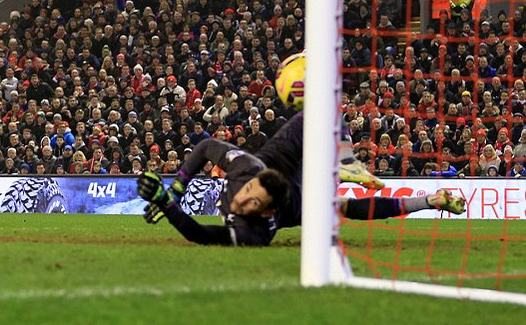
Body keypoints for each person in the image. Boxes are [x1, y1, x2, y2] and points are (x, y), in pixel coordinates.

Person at [137, 112, 465, 246]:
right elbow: (205, 146)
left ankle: (344, 161)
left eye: (252, 200)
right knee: (339, 206)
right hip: (283, 172)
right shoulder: (247, 171)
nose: (242, 197)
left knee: (326, 112)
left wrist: (165, 202)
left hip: (285, 168)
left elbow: (199, 234)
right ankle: (430, 201)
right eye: (249, 190)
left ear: (266, 211)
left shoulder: (253, 233)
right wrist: (174, 191)